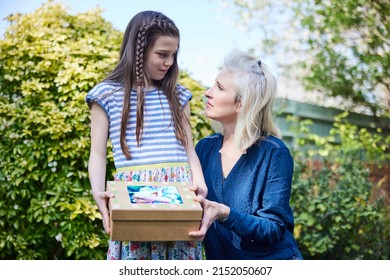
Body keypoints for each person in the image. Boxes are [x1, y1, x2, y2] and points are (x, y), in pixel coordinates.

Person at [86, 10, 207, 260]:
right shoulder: (106, 95)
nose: (169, 62)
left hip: (180, 191)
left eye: (173, 55)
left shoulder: (178, 95)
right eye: (162, 54)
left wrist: (200, 184)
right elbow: (97, 153)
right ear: (138, 51)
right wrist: (97, 192)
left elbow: (189, 149)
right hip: (134, 194)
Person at [189, 50, 303, 260]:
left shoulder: (274, 153)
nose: (208, 92)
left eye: (220, 88)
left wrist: (226, 214)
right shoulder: (204, 148)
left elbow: (273, 228)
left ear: (241, 104)